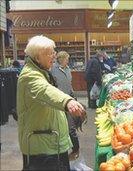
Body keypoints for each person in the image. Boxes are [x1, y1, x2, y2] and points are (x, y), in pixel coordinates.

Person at [17, 35, 85, 171]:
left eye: (54, 52)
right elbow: (45, 91)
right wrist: (67, 102)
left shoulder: (42, 71)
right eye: (50, 53)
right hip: (42, 147)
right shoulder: (29, 75)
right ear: (37, 57)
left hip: (51, 142)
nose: (54, 56)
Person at [50, 51, 80, 161]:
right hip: (57, 103)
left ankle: (76, 149)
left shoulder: (67, 69)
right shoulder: (53, 69)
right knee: (59, 127)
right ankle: (61, 152)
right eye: (66, 58)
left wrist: (73, 96)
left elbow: (69, 84)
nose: (68, 60)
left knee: (71, 127)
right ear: (61, 59)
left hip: (68, 102)